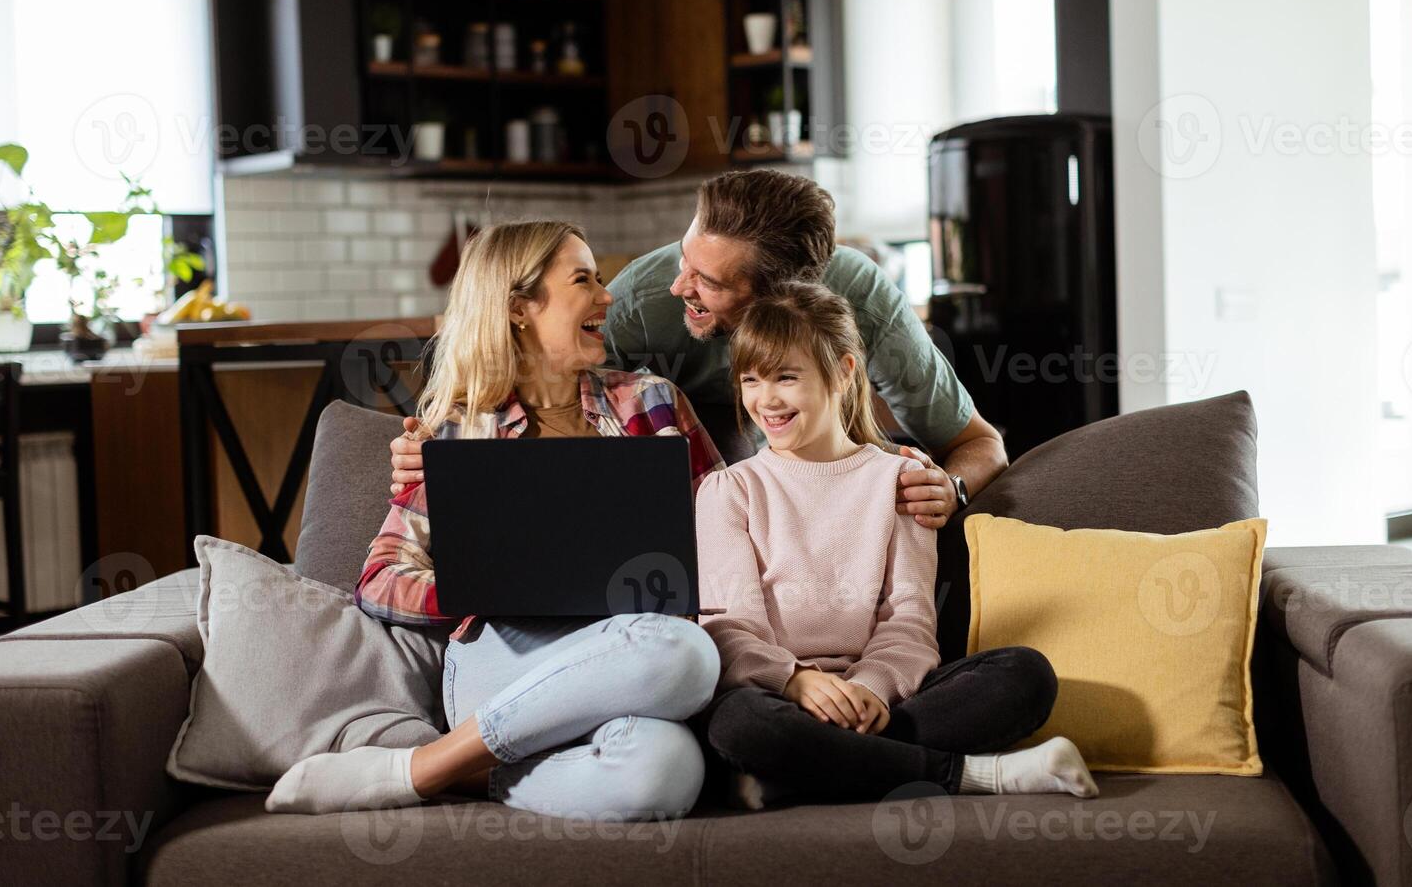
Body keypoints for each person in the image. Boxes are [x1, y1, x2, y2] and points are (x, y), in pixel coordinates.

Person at [264, 221, 724, 821]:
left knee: (666, 771)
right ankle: (433, 762)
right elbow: (378, 579)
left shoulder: (651, 401)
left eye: (601, 279)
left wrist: (869, 461)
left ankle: (442, 770)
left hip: (630, 654)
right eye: (583, 280)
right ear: (518, 309)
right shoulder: (461, 430)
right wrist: (493, 585)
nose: (606, 297)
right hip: (502, 656)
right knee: (686, 653)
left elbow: (727, 523)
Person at [388, 169, 1007, 536]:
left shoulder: (862, 300)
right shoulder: (640, 303)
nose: (681, 284)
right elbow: (558, 411)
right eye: (686, 258)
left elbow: (981, 444)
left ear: (778, 297)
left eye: (707, 282)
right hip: (706, 488)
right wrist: (444, 450)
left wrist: (950, 488)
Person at [694, 283, 1097, 807]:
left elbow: (908, 619)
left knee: (1023, 675)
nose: (764, 400)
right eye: (751, 380)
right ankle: (971, 775)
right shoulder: (730, 490)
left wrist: (871, 687)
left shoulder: (901, 480)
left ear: (842, 372)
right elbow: (728, 628)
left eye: (785, 378)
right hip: (777, 697)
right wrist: (795, 682)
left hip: (882, 697)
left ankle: (799, 773)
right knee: (742, 725)